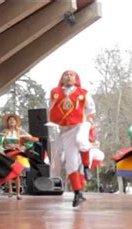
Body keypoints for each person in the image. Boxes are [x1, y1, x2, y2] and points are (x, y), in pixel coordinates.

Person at [49, 70, 96, 207]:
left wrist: (87, 120)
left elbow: (91, 110)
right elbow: (52, 109)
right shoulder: (55, 92)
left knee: (81, 141)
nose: (69, 77)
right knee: (71, 163)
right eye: (65, 75)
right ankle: (77, 193)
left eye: (72, 75)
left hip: (81, 124)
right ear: (61, 79)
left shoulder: (83, 93)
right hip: (66, 129)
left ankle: (86, 167)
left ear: (76, 79)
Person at [0, 113, 38, 200]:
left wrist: (22, 147)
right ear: (7, 122)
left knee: (17, 172)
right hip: (8, 153)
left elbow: (31, 139)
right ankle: (10, 190)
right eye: (10, 120)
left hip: (17, 153)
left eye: (13, 120)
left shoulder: (19, 131)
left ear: (16, 122)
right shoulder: (5, 131)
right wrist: (3, 148)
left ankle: (18, 193)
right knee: (9, 172)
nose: (11, 121)